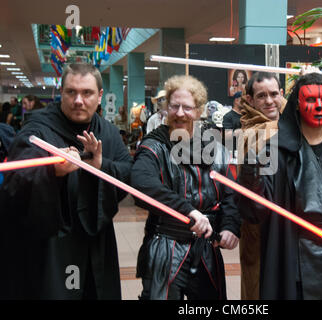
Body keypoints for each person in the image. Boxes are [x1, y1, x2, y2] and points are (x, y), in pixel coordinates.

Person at [0, 63, 133, 299]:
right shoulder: (38, 129)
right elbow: (15, 181)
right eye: (71, 92)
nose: (78, 100)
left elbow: (127, 174)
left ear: (100, 96)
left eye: (87, 93)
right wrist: (52, 172)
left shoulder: (108, 133)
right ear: (61, 92)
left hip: (95, 241)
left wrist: (101, 166)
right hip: (51, 243)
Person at [237, 72, 322, 299]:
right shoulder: (275, 151)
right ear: (298, 104)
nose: (319, 106)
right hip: (291, 253)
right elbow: (256, 210)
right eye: (311, 100)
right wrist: (252, 179)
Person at [131, 75, 240, 300]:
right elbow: (142, 184)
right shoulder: (154, 146)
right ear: (166, 109)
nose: (180, 113)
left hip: (207, 248)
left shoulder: (215, 148)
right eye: (174, 106)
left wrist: (230, 226)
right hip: (165, 246)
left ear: (199, 110)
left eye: (187, 107)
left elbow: (230, 193)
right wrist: (187, 211)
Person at [236, 72, 286, 300]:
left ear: (281, 95)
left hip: (287, 225)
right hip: (260, 228)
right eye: (261, 95)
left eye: (274, 94)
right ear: (250, 100)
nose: (269, 101)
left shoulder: (284, 122)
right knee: (258, 290)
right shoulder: (251, 130)